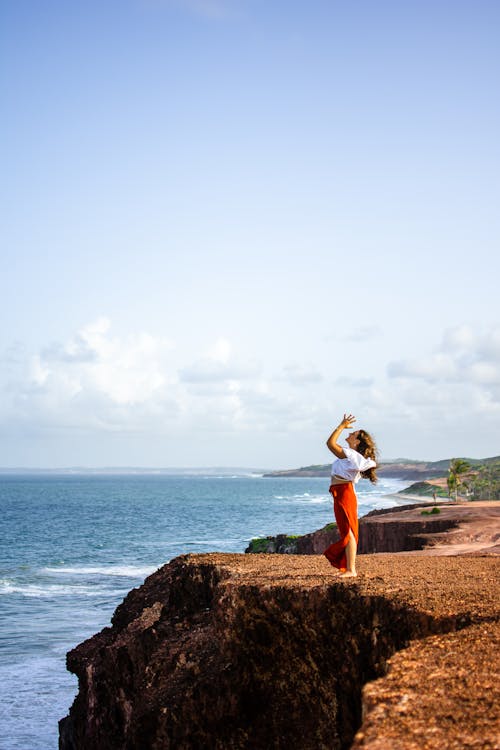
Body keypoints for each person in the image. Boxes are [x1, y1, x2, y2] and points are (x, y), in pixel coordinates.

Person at [323, 413, 378, 577]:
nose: (350, 433)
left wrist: (341, 426)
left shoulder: (351, 455)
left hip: (345, 493)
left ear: (357, 441)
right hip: (341, 493)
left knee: (349, 531)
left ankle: (351, 570)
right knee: (345, 531)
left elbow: (330, 443)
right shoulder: (352, 456)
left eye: (353, 434)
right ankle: (347, 568)